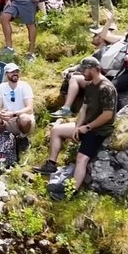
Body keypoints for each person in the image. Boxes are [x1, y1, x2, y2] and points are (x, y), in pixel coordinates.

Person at [40, 56, 116, 194]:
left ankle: (72, 191)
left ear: (95, 69)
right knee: (57, 130)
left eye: (84, 70)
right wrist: (77, 127)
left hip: (99, 129)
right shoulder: (90, 85)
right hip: (85, 126)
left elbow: (108, 115)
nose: (82, 73)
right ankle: (51, 165)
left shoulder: (106, 88)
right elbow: (84, 108)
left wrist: (87, 127)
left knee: (81, 158)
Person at [0, 62, 34, 144]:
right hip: (8, 120)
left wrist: (14, 114)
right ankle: (8, 138)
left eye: (17, 71)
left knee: (24, 119)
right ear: (6, 74)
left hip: (22, 119)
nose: (15, 73)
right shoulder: (1, 87)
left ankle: (23, 138)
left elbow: (29, 108)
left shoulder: (25, 86)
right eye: (12, 72)